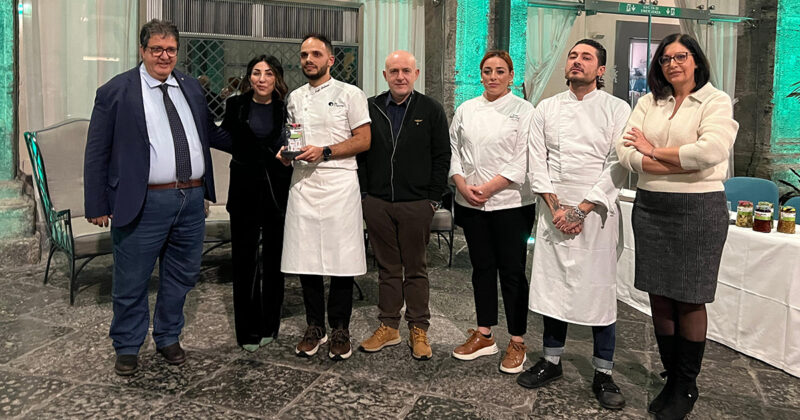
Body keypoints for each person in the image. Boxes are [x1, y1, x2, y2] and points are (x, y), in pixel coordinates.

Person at [83, 19, 231, 376]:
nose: (164, 56)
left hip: (191, 200)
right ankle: (127, 345)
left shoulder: (191, 87)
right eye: (156, 49)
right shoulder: (116, 91)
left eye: (171, 50)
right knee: (131, 279)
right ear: (142, 50)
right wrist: (97, 203)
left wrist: (261, 142)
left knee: (182, 276)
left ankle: (168, 336)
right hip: (144, 202)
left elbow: (209, 134)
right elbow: (97, 150)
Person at [615, 33, 739, 420]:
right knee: (659, 296)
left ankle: (686, 384)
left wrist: (652, 151)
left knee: (689, 298)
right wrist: (675, 162)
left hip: (698, 208)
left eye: (681, 56)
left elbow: (711, 152)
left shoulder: (715, 101)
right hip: (651, 206)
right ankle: (670, 378)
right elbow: (624, 151)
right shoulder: (648, 102)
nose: (673, 64)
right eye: (666, 59)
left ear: (696, 60)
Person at [515, 39, 631, 410]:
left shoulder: (617, 108)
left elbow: (618, 164)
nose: (576, 61)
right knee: (554, 288)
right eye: (572, 56)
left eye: (586, 57)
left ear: (601, 70)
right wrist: (557, 208)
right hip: (554, 211)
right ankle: (551, 361)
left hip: (597, 213)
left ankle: (603, 371)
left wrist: (580, 210)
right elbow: (537, 161)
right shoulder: (546, 108)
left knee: (598, 292)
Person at [278, 33, 371, 361]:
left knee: (342, 260)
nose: (309, 60)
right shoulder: (294, 97)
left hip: (339, 184)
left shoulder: (350, 94)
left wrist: (326, 151)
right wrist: (287, 153)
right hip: (304, 184)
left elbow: (364, 139)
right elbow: (295, 138)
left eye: (316, 54)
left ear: (330, 60)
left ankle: (341, 328)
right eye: (304, 54)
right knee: (307, 260)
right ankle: (315, 326)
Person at [357, 51, 450, 360]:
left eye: (406, 71)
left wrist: (432, 199)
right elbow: (361, 154)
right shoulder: (370, 107)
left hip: (416, 203)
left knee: (415, 268)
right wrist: (366, 196)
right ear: (385, 75)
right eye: (394, 71)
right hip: (378, 202)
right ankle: (388, 326)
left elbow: (442, 156)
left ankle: (418, 328)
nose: (400, 76)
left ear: (416, 74)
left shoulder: (431, 109)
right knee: (387, 267)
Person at [449, 50, 535, 374]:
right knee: (482, 269)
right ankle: (484, 334)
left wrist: (489, 188)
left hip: (511, 204)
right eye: (488, 71)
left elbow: (522, 158)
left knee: (512, 272)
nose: (493, 76)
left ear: (511, 76)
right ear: (481, 75)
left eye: (500, 71)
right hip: (471, 202)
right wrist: (461, 184)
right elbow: (454, 151)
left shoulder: (524, 110)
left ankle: (517, 340)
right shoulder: (466, 109)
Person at [220, 55, 291, 352]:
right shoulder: (235, 106)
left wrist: (286, 154)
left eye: (268, 73)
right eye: (256, 73)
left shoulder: (285, 108)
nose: (262, 79)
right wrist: (258, 153)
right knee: (244, 261)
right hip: (243, 190)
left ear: (277, 78)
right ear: (249, 77)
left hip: (276, 191)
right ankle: (247, 331)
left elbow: (293, 143)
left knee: (274, 261)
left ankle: (269, 325)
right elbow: (228, 140)